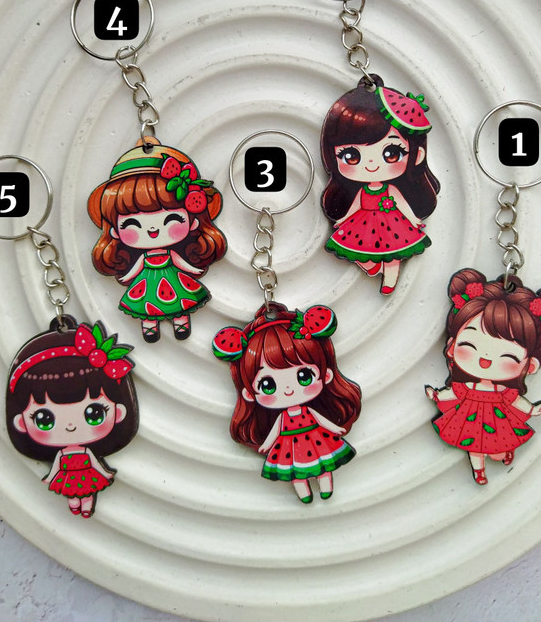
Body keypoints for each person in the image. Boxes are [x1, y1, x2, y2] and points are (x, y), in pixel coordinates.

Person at [425, 268, 541, 484]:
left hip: (500, 420)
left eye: (507, 355)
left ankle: (503, 452)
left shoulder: (504, 391)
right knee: (473, 446)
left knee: (501, 441)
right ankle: (479, 470)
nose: (485, 360)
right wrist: (437, 395)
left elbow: (515, 400)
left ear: (530, 365)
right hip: (468, 421)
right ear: (452, 345)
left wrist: (531, 410)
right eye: (470, 345)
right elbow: (452, 393)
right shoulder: (466, 386)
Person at [213, 302, 361, 502]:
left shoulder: (307, 411)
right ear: (249, 394)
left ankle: (325, 488)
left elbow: (320, 420)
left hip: (313, 438)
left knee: (323, 468)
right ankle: (304, 494)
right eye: (268, 385)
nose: (289, 390)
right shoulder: (283, 417)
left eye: (304, 376)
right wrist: (266, 444)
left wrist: (334, 428)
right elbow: (276, 430)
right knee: (296, 474)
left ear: (326, 375)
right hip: (289, 445)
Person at [88, 138, 226, 342]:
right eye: (133, 223)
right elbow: (137, 267)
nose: (152, 230)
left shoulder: (172, 252)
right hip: (148, 285)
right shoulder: (144, 256)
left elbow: (180, 262)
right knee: (147, 308)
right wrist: (127, 277)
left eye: (171, 219)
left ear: (193, 222)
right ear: (115, 231)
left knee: (179, 305)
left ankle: (180, 325)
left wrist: (194, 270)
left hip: (172, 281)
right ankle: (150, 329)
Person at [6, 317, 138, 517]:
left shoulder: (84, 453)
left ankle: (85, 506)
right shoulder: (62, 455)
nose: (70, 426)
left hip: (87, 475)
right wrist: (52, 477)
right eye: (44, 419)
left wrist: (103, 473)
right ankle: (76, 505)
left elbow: (94, 465)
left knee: (87, 493)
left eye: (94, 414)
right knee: (73, 494)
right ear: (21, 422)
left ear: (119, 412)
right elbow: (56, 469)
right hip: (69, 478)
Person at [321, 75, 439, 294]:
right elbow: (355, 205)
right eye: (352, 156)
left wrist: (413, 219)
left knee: (394, 255)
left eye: (391, 153)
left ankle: (390, 281)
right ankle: (373, 267)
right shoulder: (362, 191)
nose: (372, 165)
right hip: (362, 222)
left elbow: (402, 204)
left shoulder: (391, 189)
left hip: (394, 222)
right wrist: (343, 219)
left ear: (417, 154)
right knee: (359, 252)